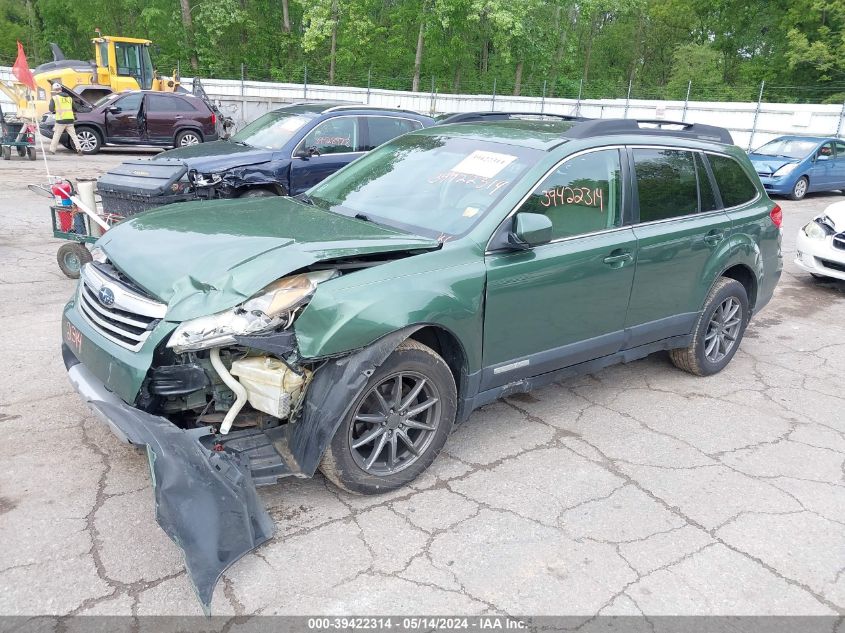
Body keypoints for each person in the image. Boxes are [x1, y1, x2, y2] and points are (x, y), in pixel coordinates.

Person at [48, 83, 82, 155]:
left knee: (56, 135)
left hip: (60, 120)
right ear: (61, 89)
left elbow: (51, 109)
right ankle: (79, 150)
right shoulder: (69, 98)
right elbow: (75, 108)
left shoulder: (54, 98)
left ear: (54, 90)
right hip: (70, 119)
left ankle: (52, 150)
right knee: (74, 136)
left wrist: (55, 109)